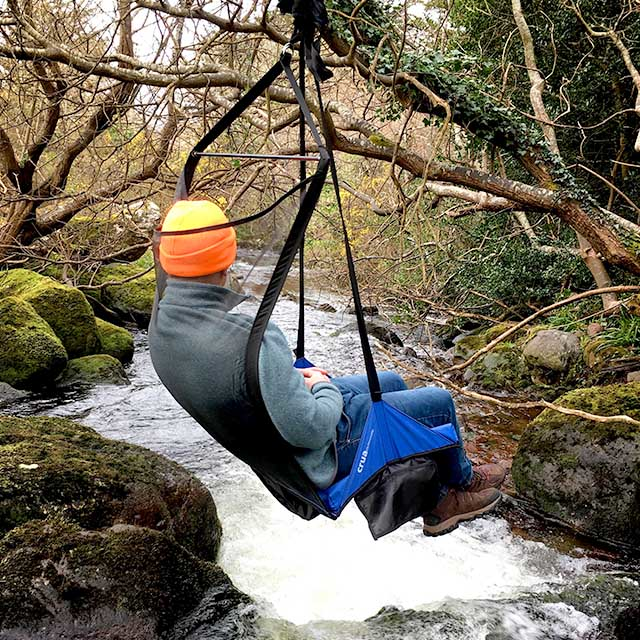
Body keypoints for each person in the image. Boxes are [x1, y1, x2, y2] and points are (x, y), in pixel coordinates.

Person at [149, 200, 507, 537]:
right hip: (315, 456)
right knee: (438, 402)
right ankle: (457, 490)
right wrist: (321, 386)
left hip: (272, 444)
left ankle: (440, 485)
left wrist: (287, 381)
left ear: (167, 262)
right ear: (227, 263)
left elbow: (242, 384)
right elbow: (313, 429)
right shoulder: (254, 341)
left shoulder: (161, 328)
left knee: (393, 381)